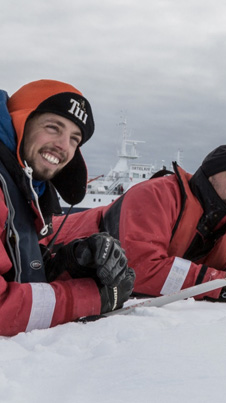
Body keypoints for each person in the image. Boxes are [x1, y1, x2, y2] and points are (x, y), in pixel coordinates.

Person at [0, 80, 135, 336]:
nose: (64, 146)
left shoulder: (23, 188)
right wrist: (92, 297)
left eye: (75, 139)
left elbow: (18, 277)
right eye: (53, 127)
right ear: (20, 121)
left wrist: (72, 263)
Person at [63, 144, 226, 305]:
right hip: (50, 249)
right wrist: (219, 281)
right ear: (209, 176)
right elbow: (139, 269)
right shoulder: (156, 195)